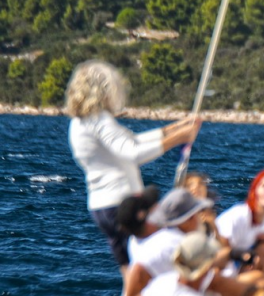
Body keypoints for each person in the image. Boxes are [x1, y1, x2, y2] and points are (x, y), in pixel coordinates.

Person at [66, 60, 200, 277]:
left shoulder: (78, 124)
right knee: (158, 258)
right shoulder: (101, 120)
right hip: (123, 206)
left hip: (100, 209)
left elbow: (132, 141)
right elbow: (133, 152)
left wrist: (174, 128)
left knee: (130, 271)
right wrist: (180, 138)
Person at [119, 188, 217, 296]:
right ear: (188, 220)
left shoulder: (138, 241)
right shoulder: (176, 245)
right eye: (198, 214)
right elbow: (213, 276)